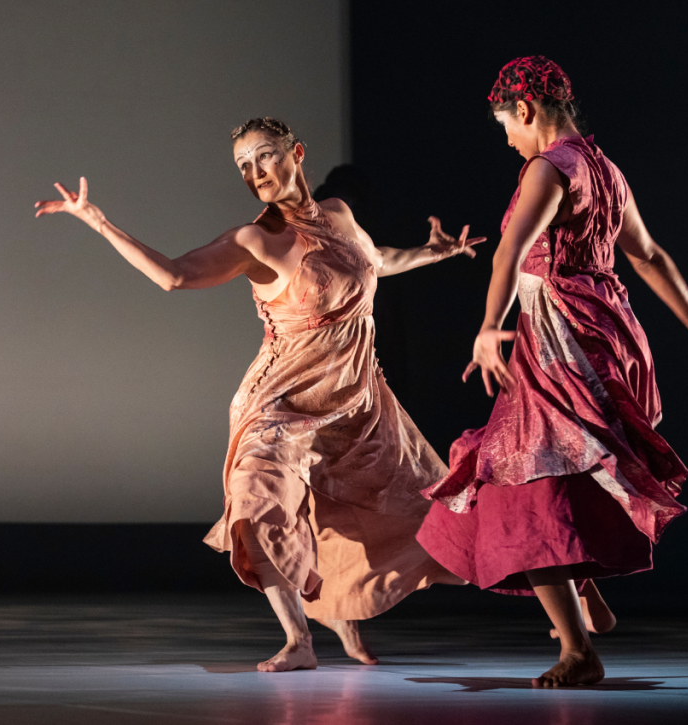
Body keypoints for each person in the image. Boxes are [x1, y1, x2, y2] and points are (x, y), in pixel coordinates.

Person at [35, 117, 481, 672]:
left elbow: (372, 262)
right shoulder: (255, 240)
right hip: (283, 399)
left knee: (411, 504)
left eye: (265, 157)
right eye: (244, 165)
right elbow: (174, 275)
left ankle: (342, 610)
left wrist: (429, 254)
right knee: (257, 497)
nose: (255, 173)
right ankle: (299, 639)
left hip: (356, 397)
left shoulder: (338, 215)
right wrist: (99, 223)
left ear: (296, 153)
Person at [417, 57, 688, 687]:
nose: (506, 137)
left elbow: (511, 251)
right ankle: (581, 595)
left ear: (529, 111)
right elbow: (646, 254)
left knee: (523, 483)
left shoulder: (547, 168)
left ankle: (577, 650)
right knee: (568, 468)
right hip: (610, 334)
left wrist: (489, 326)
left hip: (560, 340)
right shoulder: (605, 169)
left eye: (504, 123)